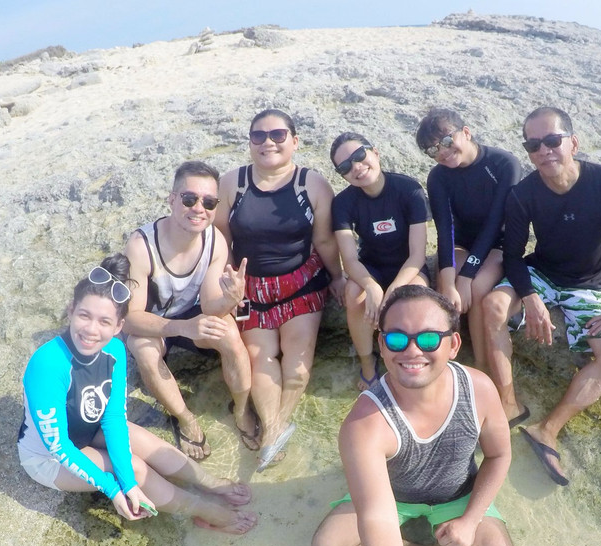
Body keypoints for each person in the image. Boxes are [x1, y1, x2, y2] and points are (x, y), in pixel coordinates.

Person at [311, 286, 514, 546]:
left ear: (453, 344)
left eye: (427, 338)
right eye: (397, 338)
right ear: (382, 345)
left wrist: (471, 519)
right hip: (393, 499)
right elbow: (378, 520)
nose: (412, 350)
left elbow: (499, 456)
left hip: (458, 495)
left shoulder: (479, 389)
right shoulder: (365, 424)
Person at [17, 255, 258, 534]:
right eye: (84, 315)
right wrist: (118, 489)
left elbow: (113, 420)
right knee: (136, 469)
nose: (92, 330)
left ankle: (209, 482)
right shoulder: (48, 364)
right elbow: (59, 447)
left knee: (146, 442)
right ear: (71, 311)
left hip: (88, 428)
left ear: (119, 326)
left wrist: (126, 481)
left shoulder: (115, 352)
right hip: (48, 458)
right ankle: (203, 509)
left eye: (104, 321)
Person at [483, 106, 601, 486]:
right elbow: (512, 254)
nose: (543, 150)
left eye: (552, 140)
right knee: (494, 305)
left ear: (572, 143)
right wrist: (529, 296)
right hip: (540, 274)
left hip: (587, 286)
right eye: (533, 144)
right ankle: (509, 404)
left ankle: (547, 429)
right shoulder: (523, 192)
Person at [216, 109, 344, 471]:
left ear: (294, 141)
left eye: (277, 135)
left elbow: (324, 239)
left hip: (299, 281)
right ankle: (275, 430)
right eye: (258, 136)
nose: (268, 142)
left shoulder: (312, 184)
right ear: (250, 142)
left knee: (298, 365)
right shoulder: (233, 183)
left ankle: (272, 431)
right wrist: (227, 286)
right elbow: (221, 239)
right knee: (261, 358)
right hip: (250, 287)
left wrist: (337, 276)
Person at [123, 160, 254, 462]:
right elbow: (130, 318)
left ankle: (243, 409)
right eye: (189, 198)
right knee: (144, 349)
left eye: (209, 202)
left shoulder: (214, 241)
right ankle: (186, 418)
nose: (199, 208)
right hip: (152, 321)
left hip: (192, 315)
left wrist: (230, 300)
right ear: (172, 199)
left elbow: (210, 305)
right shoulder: (142, 245)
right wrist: (182, 328)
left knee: (230, 334)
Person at [416, 109, 521, 371]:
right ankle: (441, 362)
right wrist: (451, 282)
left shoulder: (504, 164)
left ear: (466, 132)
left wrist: (466, 276)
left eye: (447, 141)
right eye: (432, 150)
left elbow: (496, 222)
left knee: (475, 287)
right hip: (461, 245)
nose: (442, 152)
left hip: (498, 244)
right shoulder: (438, 177)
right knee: (445, 290)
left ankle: (480, 367)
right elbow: (446, 231)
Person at [330, 132, 432, 391]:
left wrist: (394, 289)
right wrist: (373, 287)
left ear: (375, 152)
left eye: (359, 156)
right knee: (355, 293)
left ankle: (410, 359)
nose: (356, 167)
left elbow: (417, 254)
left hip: (407, 266)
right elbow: (350, 259)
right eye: (345, 166)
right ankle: (367, 363)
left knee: (416, 296)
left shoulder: (409, 190)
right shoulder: (343, 203)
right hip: (371, 266)